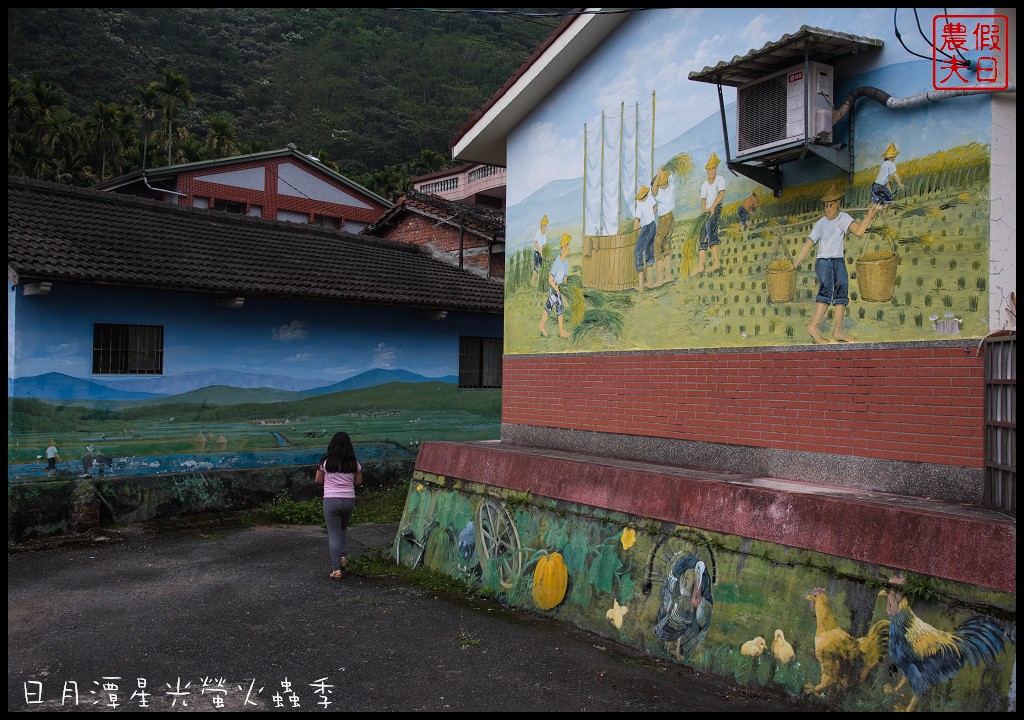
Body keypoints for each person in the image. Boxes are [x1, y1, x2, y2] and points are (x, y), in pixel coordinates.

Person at [791, 182, 878, 344]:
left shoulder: (843, 218)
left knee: (841, 294)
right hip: (823, 262)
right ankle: (813, 326)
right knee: (825, 291)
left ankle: (838, 331)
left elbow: (859, 231)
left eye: (831, 205)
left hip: (838, 261)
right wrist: (796, 263)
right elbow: (809, 243)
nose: (828, 209)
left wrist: (869, 217)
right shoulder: (821, 223)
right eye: (826, 205)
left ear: (838, 204)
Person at [314, 431, 362, 580]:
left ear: (332, 444)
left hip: (331, 500)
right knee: (342, 529)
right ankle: (342, 557)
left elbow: (318, 480)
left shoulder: (325, 462)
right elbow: (358, 482)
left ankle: (336, 570)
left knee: (333, 534)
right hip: (348, 500)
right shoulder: (355, 463)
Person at [694, 152, 726, 275]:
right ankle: (700, 266)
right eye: (708, 169)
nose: (710, 171)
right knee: (703, 235)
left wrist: (712, 208)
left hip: (716, 209)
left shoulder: (720, 179)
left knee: (711, 233)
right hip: (707, 212)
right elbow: (703, 199)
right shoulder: (704, 184)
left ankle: (717, 262)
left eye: (712, 168)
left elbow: (721, 195)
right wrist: (704, 211)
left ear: (716, 168)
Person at [539, 233, 572, 338]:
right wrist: (557, 289)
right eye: (566, 246)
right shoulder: (558, 261)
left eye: (568, 245)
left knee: (549, 306)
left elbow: (565, 276)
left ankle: (541, 326)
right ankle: (561, 332)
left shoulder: (566, 262)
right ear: (562, 248)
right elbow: (550, 279)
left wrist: (565, 288)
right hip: (554, 287)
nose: (568, 247)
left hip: (559, 288)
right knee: (560, 307)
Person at [651, 167, 676, 287]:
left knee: (657, 246)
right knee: (666, 245)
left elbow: (653, 188)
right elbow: (671, 174)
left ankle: (660, 279)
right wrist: (663, 172)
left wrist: (658, 173)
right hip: (671, 218)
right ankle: (668, 276)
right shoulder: (671, 186)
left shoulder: (659, 193)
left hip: (663, 220)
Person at [631, 184, 658, 292]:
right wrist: (651, 214)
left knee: (638, 252)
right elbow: (655, 207)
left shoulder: (640, 205)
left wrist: (634, 229)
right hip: (653, 225)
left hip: (646, 228)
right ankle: (650, 283)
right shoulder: (651, 199)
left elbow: (636, 222)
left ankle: (641, 286)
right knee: (649, 251)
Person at [870, 142, 906, 212]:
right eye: (894, 156)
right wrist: (900, 184)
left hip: (875, 186)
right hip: (879, 187)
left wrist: (890, 192)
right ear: (892, 157)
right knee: (889, 199)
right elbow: (895, 174)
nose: (895, 158)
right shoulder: (890, 164)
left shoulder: (884, 165)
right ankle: (883, 213)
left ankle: (867, 211)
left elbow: (886, 182)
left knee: (876, 201)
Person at [531, 214, 549, 286]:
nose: (545, 228)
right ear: (542, 226)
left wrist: (544, 254)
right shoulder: (538, 232)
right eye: (544, 226)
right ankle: (532, 284)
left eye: (546, 226)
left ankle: (540, 284)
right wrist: (540, 252)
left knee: (543, 268)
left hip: (541, 254)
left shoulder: (544, 236)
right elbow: (535, 243)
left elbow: (544, 246)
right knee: (536, 269)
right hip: (537, 253)